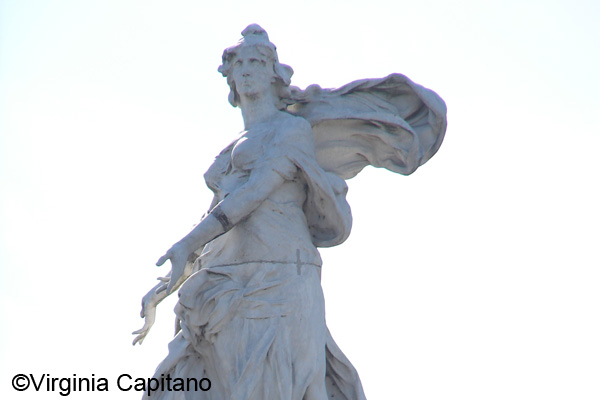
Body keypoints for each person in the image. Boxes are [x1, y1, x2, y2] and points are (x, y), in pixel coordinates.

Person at [134, 24, 447, 400]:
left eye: (256, 62)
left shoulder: (290, 130)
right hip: (225, 281)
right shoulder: (230, 151)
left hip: (281, 276)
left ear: (273, 74)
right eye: (240, 64)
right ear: (229, 78)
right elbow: (215, 218)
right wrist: (173, 278)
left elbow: (252, 195)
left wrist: (185, 243)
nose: (247, 69)